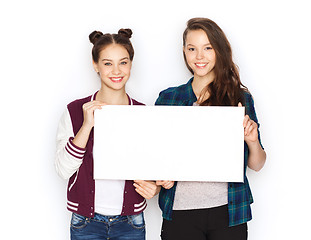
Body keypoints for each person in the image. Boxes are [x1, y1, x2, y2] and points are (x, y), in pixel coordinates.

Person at [155, 18, 266, 240]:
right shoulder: (169, 98)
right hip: (180, 211)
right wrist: (160, 177)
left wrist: (252, 140)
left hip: (228, 211)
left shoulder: (239, 98)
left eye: (208, 48)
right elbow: (156, 158)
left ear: (219, 51)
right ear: (184, 52)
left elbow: (257, 164)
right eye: (192, 49)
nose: (199, 56)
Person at [55, 29, 160, 240]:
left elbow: (156, 169)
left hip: (131, 221)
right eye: (107, 63)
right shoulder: (75, 111)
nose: (116, 71)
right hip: (85, 222)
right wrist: (86, 127)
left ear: (131, 64)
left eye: (123, 62)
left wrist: (155, 188)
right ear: (95, 65)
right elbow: (63, 169)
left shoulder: (144, 113)